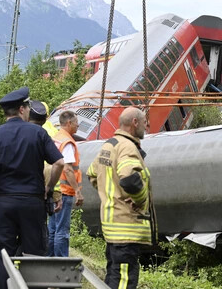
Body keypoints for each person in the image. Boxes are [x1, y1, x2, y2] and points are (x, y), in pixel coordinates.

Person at [0, 87, 65, 289]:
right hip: (33, 203)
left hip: (3, 203)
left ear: (7, 112)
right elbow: (59, 164)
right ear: (23, 109)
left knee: (4, 257)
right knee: (33, 257)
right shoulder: (38, 133)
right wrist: (49, 189)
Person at [87, 107, 157, 289]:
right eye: (143, 122)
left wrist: (111, 194)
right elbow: (129, 178)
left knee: (113, 277)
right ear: (134, 123)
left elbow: (93, 173)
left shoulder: (110, 144)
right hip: (126, 227)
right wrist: (140, 200)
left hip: (112, 227)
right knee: (124, 281)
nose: (146, 126)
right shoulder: (128, 147)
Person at [47, 110, 83, 257]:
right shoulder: (67, 142)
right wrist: (78, 191)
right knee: (62, 231)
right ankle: (61, 263)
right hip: (65, 192)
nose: (78, 126)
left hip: (55, 190)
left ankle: (49, 260)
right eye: (76, 123)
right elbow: (68, 169)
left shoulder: (56, 138)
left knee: (53, 229)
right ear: (69, 123)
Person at [28, 101, 62, 214]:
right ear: (47, 115)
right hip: (41, 187)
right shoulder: (51, 131)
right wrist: (54, 191)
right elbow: (54, 165)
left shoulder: (18, 131)